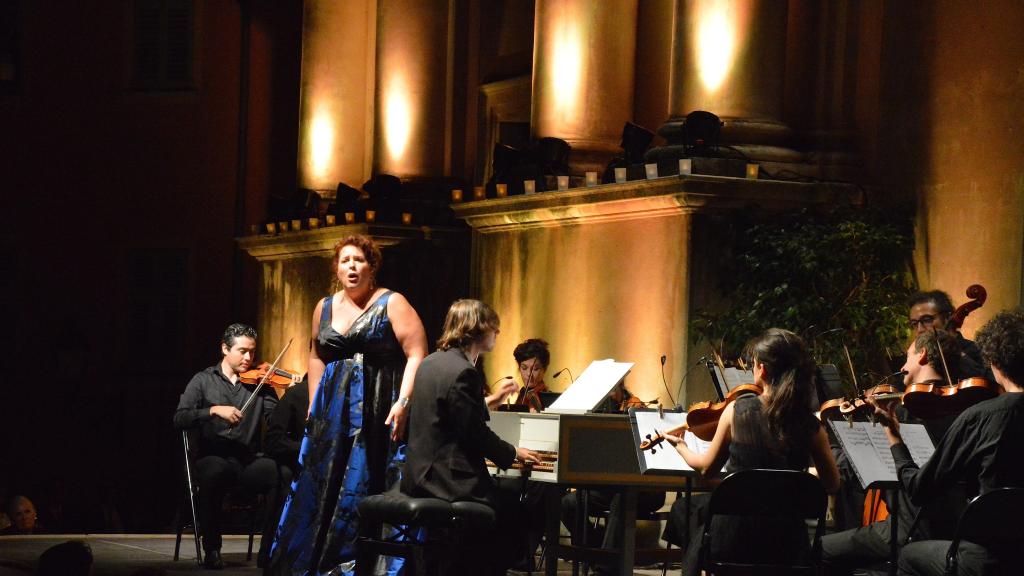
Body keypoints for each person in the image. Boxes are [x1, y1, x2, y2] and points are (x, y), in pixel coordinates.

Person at [267, 235, 428, 575]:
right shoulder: (323, 306)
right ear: (336, 268)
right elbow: (316, 356)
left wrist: (404, 401)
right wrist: (314, 402)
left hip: (377, 403)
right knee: (325, 481)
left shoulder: (392, 302)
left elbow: (417, 353)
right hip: (335, 409)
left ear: (372, 266)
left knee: (369, 477)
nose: (352, 266)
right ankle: (322, 559)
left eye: (359, 260)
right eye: (345, 261)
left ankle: (367, 562)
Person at [663, 328, 840, 576]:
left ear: (763, 370)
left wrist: (680, 446)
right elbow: (832, 484)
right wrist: (800, 477)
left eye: (754, 364)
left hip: (733, 542)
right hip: (787, 545)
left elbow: (706, 468)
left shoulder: (737, 411)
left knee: (686, 510)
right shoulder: (811, 426)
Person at [876, 309, 1024, 576]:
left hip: (990, 558)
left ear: (994, 361)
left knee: (907, 555)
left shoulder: (981, 417)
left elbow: (919, 489)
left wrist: (893, 436)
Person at [401, 299, 541, 576]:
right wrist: (513, 453)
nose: (497, 334)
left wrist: (492, 401)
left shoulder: (431, 363)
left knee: (504, 503)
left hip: (418, 474)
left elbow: (450, 417)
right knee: (516, 509)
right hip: (446, 479)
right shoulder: (465, 371)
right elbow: (474, 433)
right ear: (479, 329)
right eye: (494, 329)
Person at [822, 328, 968, 574]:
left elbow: (855, 471)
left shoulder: (903, 414)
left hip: (908, 529)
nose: (903, 365)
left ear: (922, 356)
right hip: (952, 529)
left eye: (907, 357)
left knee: (819, 548)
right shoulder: (963, 411)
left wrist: (828, 443)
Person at [173, 323, 282, 569]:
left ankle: (271, 550)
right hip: (213, 457)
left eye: (252, 352)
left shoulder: (260, 383)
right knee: (215, 472)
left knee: (281, 473)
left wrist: (290, 399)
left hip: (248, 459)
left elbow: (275, 420)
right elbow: (180, 418)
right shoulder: (203, 381)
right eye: (242, 351)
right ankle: (212, 548)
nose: (249, 358)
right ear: (225, 348)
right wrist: (212, 410)